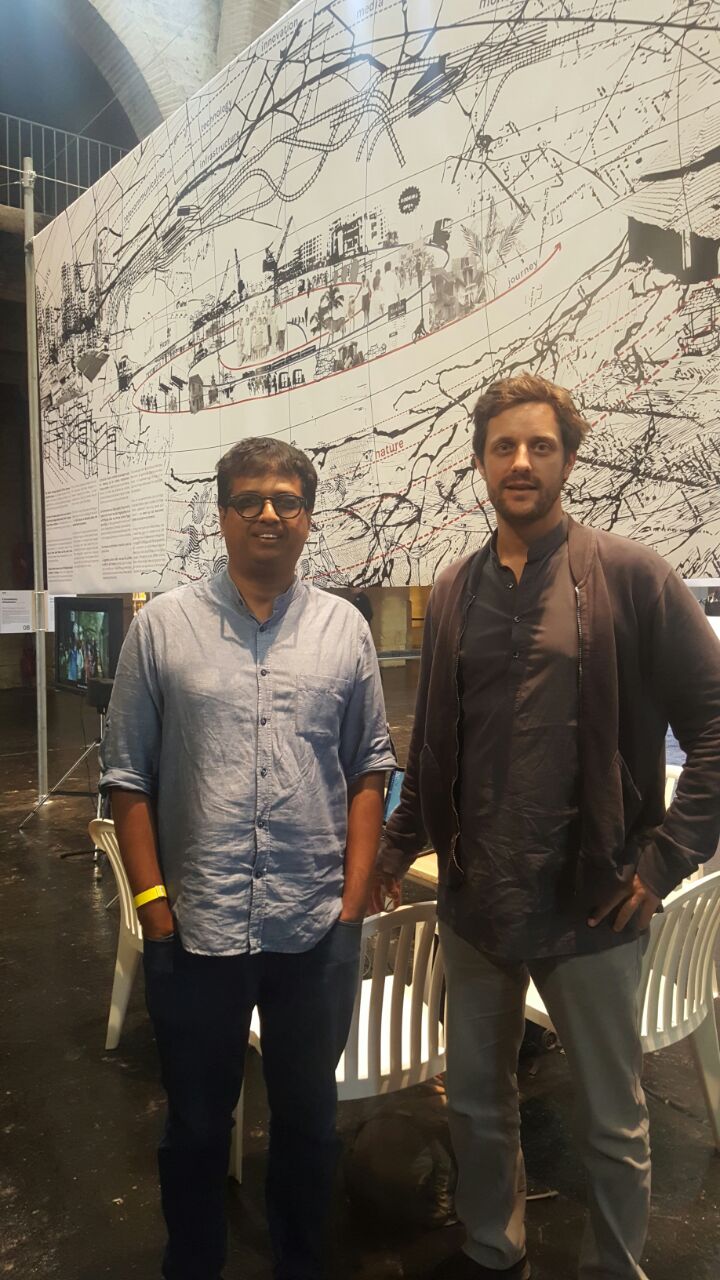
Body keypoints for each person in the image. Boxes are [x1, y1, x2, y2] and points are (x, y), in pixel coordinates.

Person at [372, 373, 720, 1280]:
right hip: (477, 901)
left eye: (540, 446)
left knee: (612, 1118)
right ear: (480, 462)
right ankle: (494, 1249)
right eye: (504, 447)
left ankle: (615, 1266)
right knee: (476, 1103)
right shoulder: (455, 588)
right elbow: (435, 743)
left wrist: (665, 859)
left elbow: (715, 723)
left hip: (591, 903)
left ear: (568, 459)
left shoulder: (633, 576)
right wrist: (399, 846)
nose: (520, 462)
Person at [100, 437, 396, 1280]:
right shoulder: (162, 628)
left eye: (286, 500)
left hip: (314, 931)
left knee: (309, 1125)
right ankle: (192, 1264)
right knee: (196, 1127)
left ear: (308, 516)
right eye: (249, 499)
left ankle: (300, 1262)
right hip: (196, 930)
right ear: (222, 514)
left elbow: (370, 769)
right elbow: (127, 778)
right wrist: (154, 910)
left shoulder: (344, 629)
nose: (269, 513)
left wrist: (350, 906)